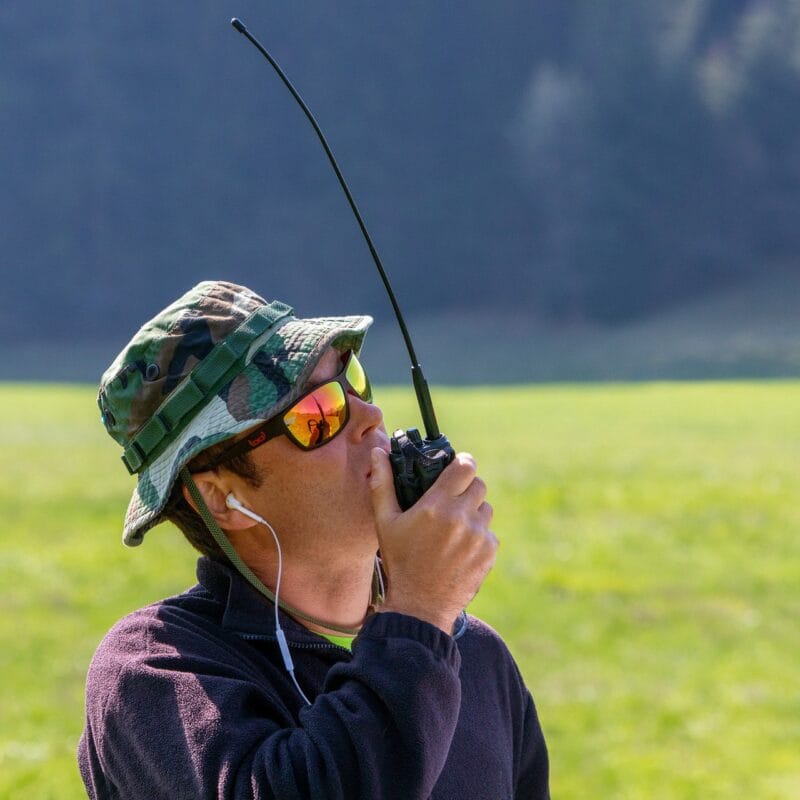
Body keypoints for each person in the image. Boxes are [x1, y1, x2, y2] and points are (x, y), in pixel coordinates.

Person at [78, 280, 550, 799]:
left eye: (354, 384)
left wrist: (424, 624)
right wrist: (417, 615)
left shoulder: (472, 654)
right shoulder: (154, 671)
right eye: (317, 415)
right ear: (220, 496)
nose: (370, 419)